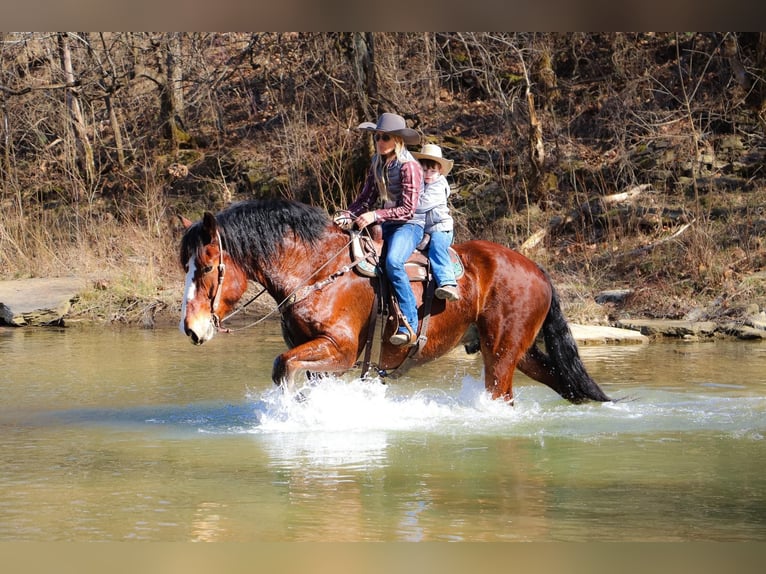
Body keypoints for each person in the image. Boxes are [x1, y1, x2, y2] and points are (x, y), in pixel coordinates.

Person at [333, 112, 424, 347]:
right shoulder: (377, 163)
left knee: (393, 262)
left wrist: (376, 215)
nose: (379, 142)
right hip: (386, 223)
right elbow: (365, 198)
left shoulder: (409, 167)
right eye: (376, 137)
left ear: (397, 140)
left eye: (384, 138)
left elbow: (408, 209)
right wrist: (347, 214)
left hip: (409, 226)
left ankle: (409, 323)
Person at [413, 143, 460, 302]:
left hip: (441, 227)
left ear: (440, 171)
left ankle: (448, 283)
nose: (428, 174)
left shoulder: (439, 186)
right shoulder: (422, 184)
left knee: (437, 249)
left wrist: (405, 206)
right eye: (425, 170)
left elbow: (421, 205)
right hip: (426, 229)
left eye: (432, 171)